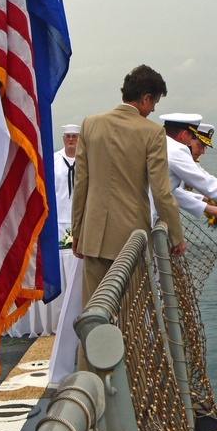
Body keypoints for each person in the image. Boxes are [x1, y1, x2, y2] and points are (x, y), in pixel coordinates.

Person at [71, 64, 186, 305]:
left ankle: (88, 345)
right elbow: (161, 192)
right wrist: (176, 235)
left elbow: (81, 183)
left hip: (92, 236)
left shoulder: (90, 124)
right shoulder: (152, 133)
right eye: (154, 104)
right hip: (129, 238)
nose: (153, 110)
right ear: (145, 98)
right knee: (129, 316)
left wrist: (78, 233)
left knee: (93, 314)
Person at [53, 124, 80, 237]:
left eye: (74, 136)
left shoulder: (86, 160)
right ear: (63, 139)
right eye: (68, 136)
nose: (71, 139)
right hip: (59, 217)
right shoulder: (54, 160)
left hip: (79, 219)